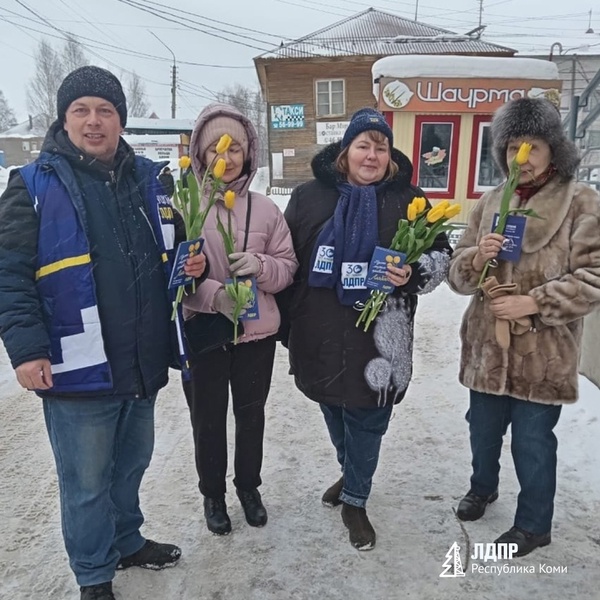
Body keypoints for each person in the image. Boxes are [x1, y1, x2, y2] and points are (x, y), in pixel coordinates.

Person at [0, 66, 207, 600]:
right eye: (82, 110)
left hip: (139, 358)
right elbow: (9, 273)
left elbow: (176, 248)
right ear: (64, 118)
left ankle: (125, 539)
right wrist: (25, 349)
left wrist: (191, 265)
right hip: (77, 363)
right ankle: (94, 575)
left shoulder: (152, 180)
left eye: (106, 110)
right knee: (86, 482)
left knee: (131, 465)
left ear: (120, 120)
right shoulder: (31, 185)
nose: (95, 121)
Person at [281, 108, 451, 551]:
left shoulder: (408, 199)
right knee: (333, 407)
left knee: (369, 417)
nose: (371, 154)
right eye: (363, 145)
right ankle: (351, 469)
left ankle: (356, 498)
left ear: (389, 156)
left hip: (380, 338)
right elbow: (289, 261)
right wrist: (285, 322)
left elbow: (441, 258)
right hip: (319, 329)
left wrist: (413, 272)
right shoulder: (308, 198)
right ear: (345, 153)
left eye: (380, 147)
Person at [448, 97, 600, 557]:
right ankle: (483, 486)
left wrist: (533, 302)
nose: (524, 158)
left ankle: (534, 525)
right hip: (486, 346)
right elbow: (457, 275)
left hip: (543, 351)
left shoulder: (582, 201)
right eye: (515, 146)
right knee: (482, 428)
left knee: (533, 440)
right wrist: (475, 258)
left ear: (555, 149)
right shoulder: (491, 200)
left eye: (534, 146)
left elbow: (594, 277)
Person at [182, 103, 297, 536]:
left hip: (256, 335)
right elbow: (172, 275)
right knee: (207, 419)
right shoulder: (185, 206)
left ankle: (249, 487)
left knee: (251, 415)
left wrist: (261, 265)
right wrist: (213, 295)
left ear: (248, 153)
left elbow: (288, 267)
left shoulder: (267, 210)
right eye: (216, 149)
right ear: (200, 153)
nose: (225, 159)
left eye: (234, 149)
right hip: (205, 333)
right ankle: (213, 493)